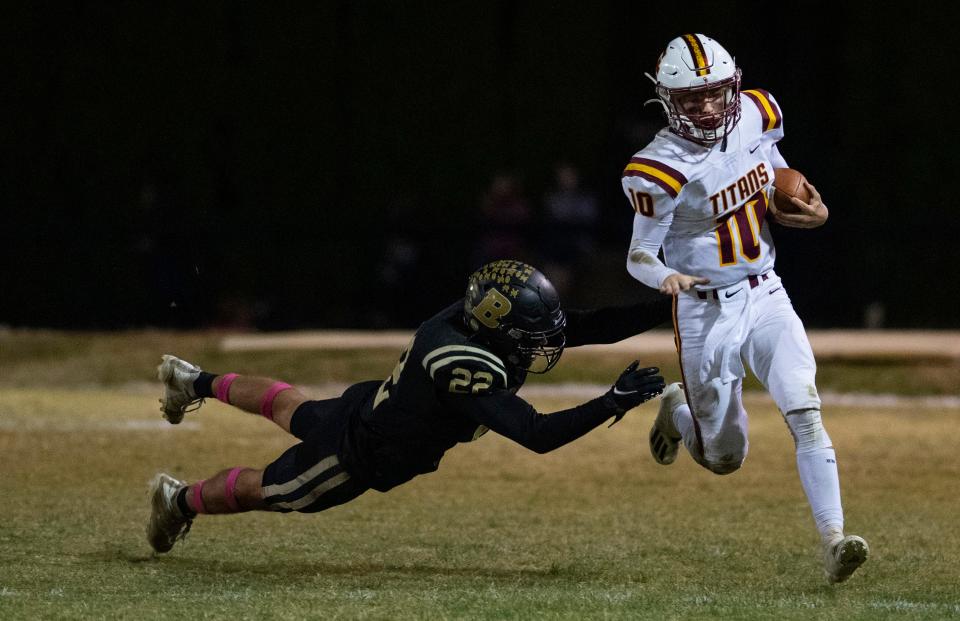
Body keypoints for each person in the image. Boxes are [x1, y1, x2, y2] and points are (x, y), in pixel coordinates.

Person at [147, 259, 671, 553]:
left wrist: (667, 305)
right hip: (362, 452)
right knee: (273, 489)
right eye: (532, 335)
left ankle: (194, 382)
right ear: (499, 329)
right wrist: (610, 402)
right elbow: (535, 433)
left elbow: (586, 325)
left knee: (294, 409)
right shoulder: (465, 363)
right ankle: (178, 501)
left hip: (373, 405)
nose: (548, 344)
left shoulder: (473, 319)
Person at [621, 34, 868, 583]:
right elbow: (639, 254)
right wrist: (668, 276)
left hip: (765, 291)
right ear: (667, 100)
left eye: (715, 93)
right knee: (724, 458)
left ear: (732, 87)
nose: (707, 107)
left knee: (804, 408)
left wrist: (808, 203)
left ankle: (834, 540)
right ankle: (677, 411)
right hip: (704, 311)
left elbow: (773, 165)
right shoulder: (657, 167)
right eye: (692, 98)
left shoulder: (757, 112)